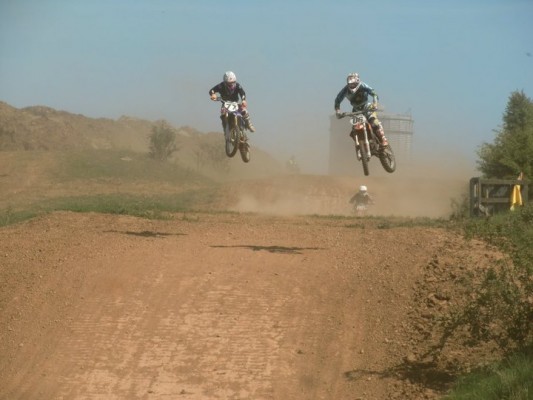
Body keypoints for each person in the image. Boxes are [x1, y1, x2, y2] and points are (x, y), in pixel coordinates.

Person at [334, 73, 388, 147]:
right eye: (350, 84)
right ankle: (361, 143)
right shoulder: (345, 90)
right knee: (354, 129)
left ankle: (383, 139)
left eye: (353, 84)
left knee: (374, 123)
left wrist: (375, 104)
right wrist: (338, 111)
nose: (352, 86)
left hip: (367, 107)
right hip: (356, 110)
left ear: (357, 82)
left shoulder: (363, 86)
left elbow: (374, 93)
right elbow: (337, 100)